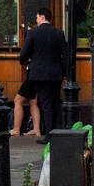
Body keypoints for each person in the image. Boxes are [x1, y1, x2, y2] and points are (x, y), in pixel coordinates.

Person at [18, 8, 68, 140]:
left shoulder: (33, 33)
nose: (36, 20)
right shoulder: (59, 33)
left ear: (41, 17)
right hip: (56, 74)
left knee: (45, 104)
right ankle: (58, 133)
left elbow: (24, 53)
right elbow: (65, 55)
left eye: (37, 17)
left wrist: (23, 60)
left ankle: (50, 135)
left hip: (40, 74)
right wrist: (64, 74)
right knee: (56, 102)